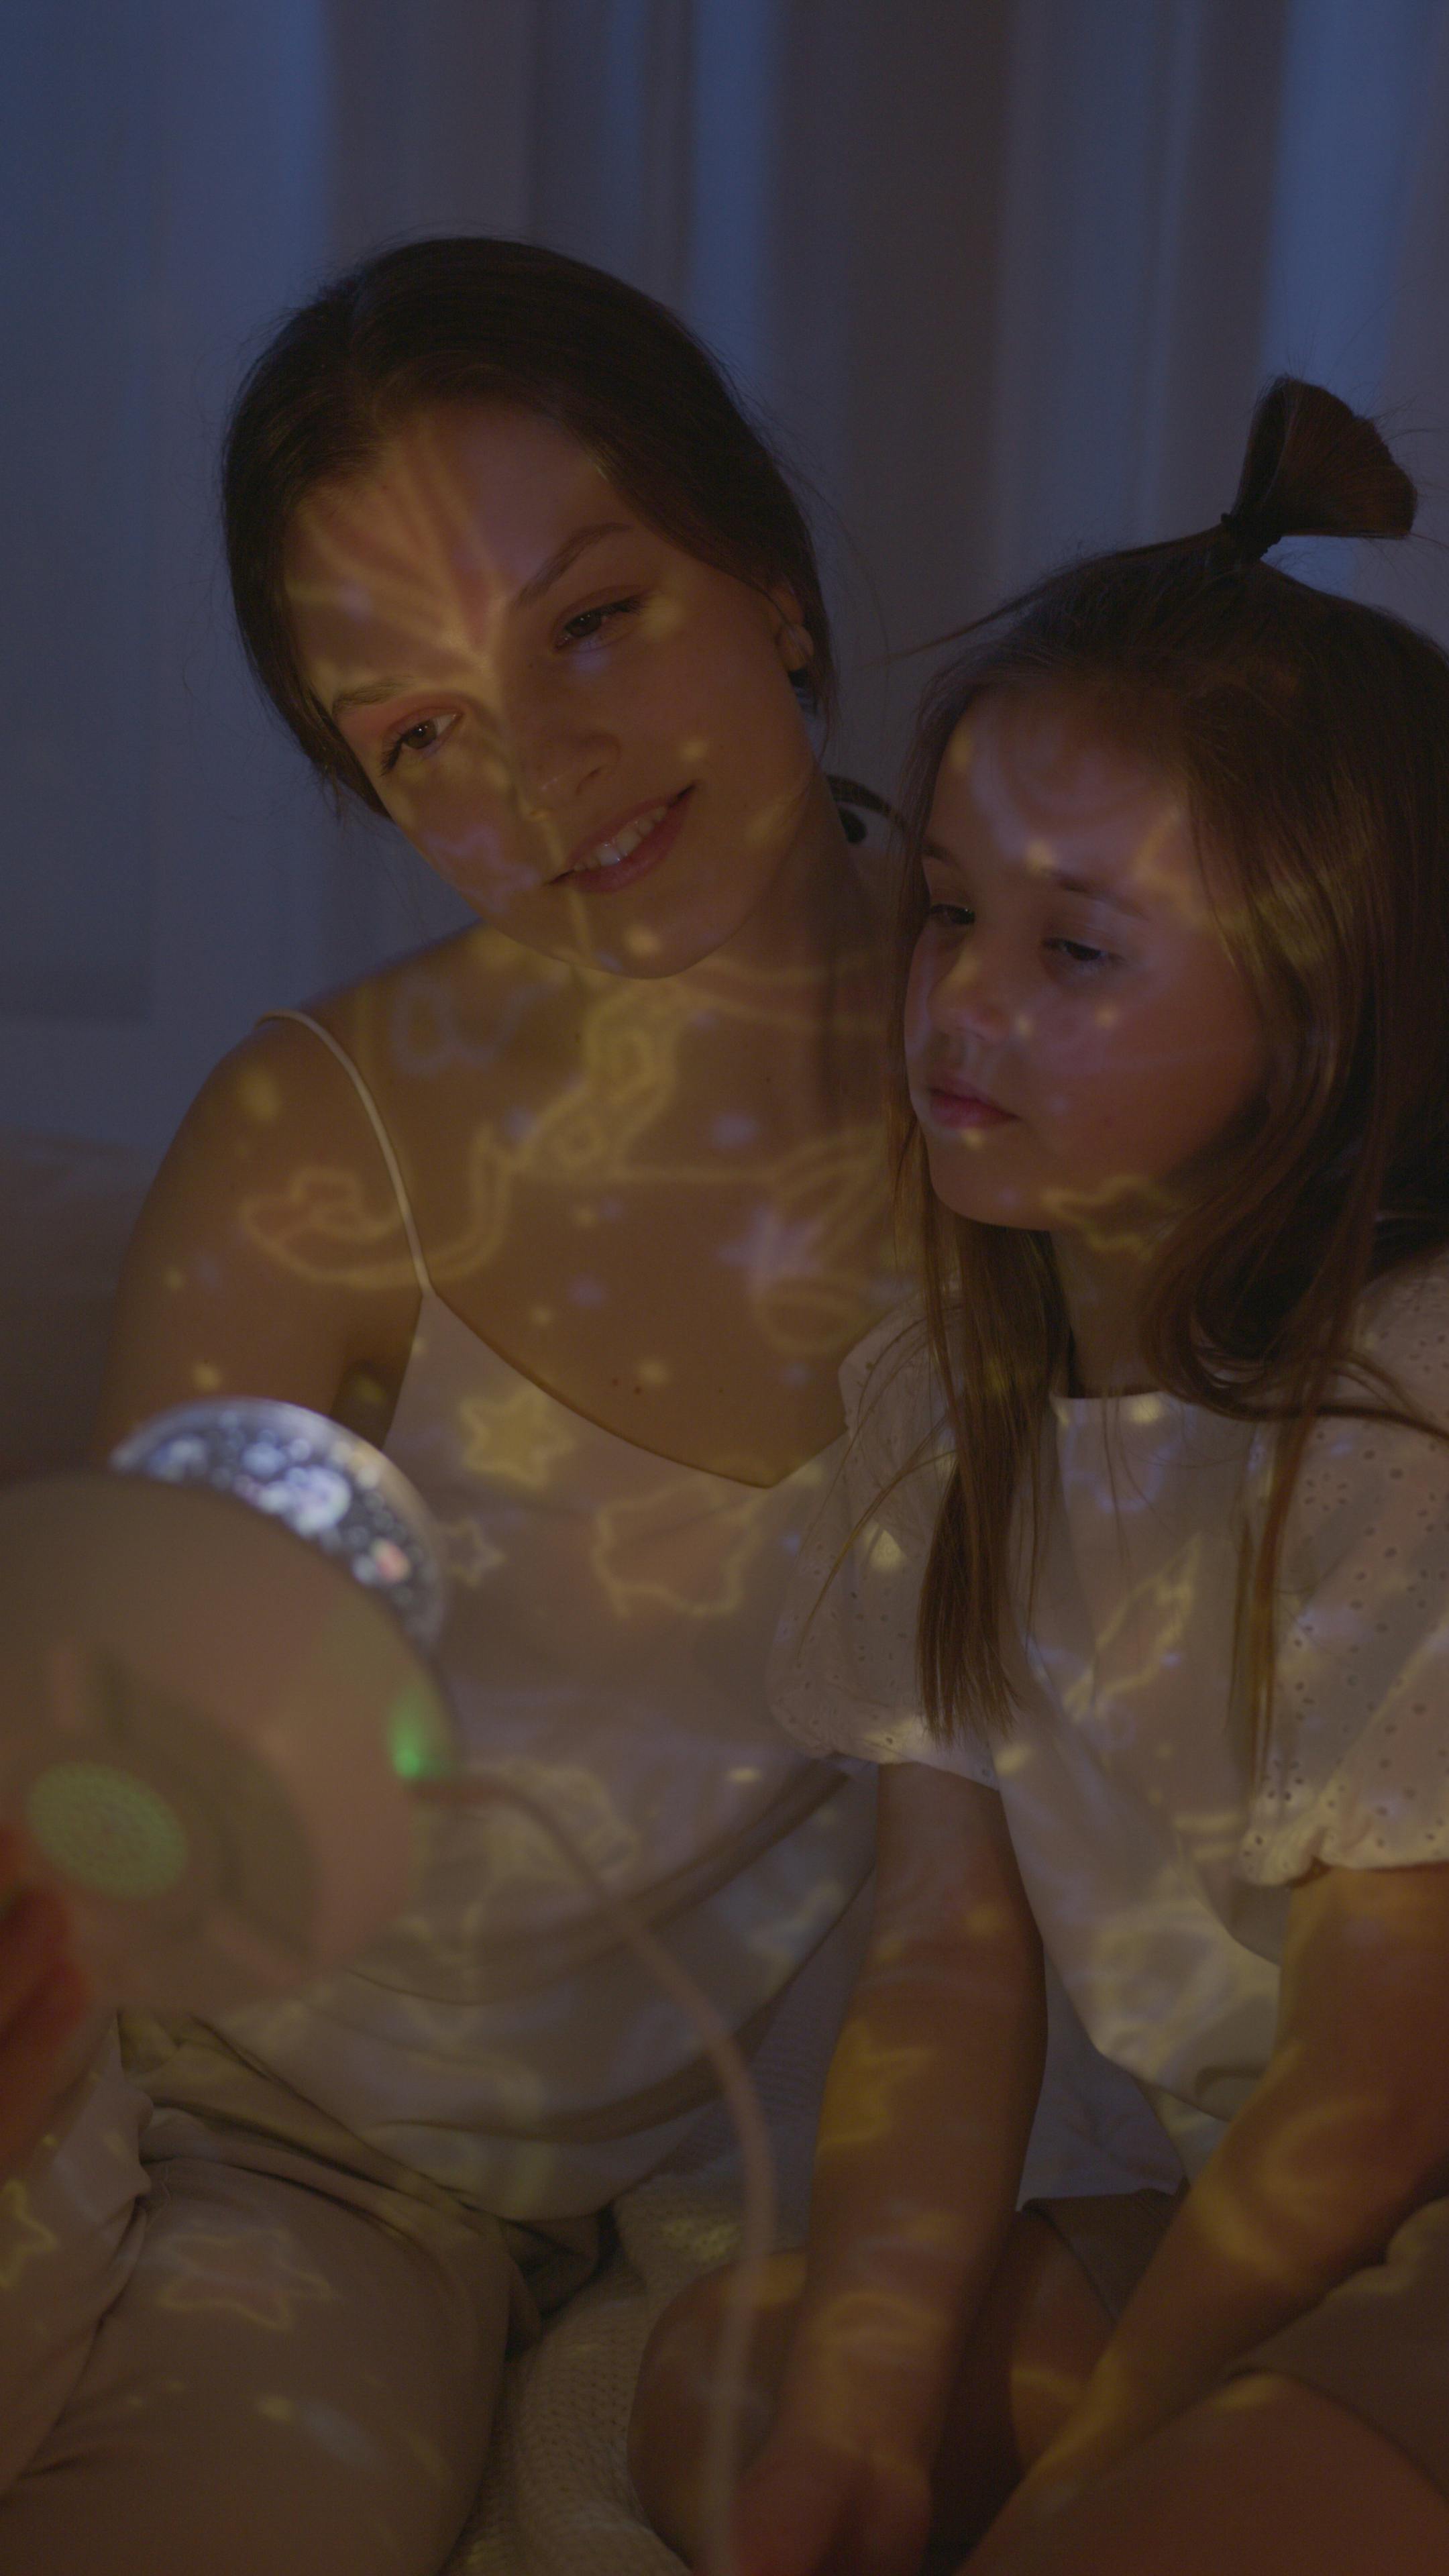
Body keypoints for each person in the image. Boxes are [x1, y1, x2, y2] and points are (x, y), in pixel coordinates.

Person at [0, 239, 1166, 2576]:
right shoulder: (319, 1151)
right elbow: (132, 1773)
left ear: (776, 573)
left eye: (593, 622)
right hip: (309, 2156)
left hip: (767, 2171)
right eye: (420, 734)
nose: (542, 770)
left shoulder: (1047, 1088)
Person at [629, 378, 1449, 2576]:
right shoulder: (950, 1413)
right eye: (951, 909)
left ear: (1323, 1017)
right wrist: (872, 2432)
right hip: (1258, 2188)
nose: (961, 1002)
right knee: (730, 2398)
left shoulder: (1402, 1426)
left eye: (1075, 949)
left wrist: (1077, 2495)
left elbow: (1383, 2091)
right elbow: (945, 1965)